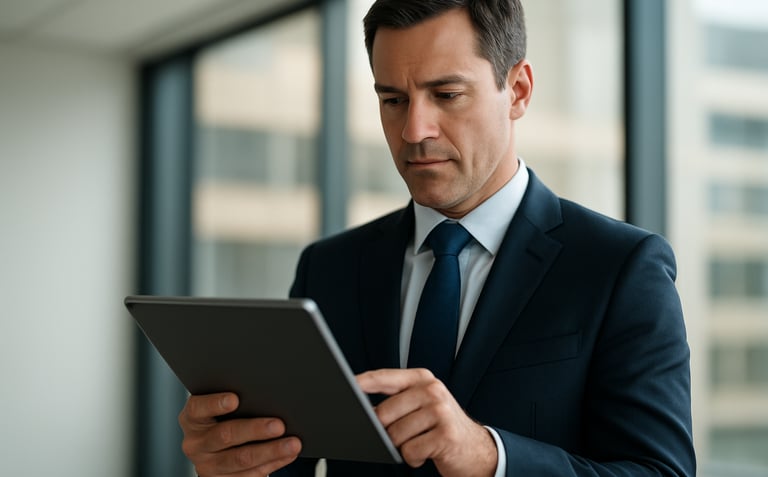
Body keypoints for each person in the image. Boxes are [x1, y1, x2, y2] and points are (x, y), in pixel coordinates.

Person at [178, 0, 696, 476]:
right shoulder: (329, 268)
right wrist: (235, 464)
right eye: (393, 99)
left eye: (446, 95)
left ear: (517, 91)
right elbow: (289, 463)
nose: (413, 130)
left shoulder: (621, 267)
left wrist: (489, 455)